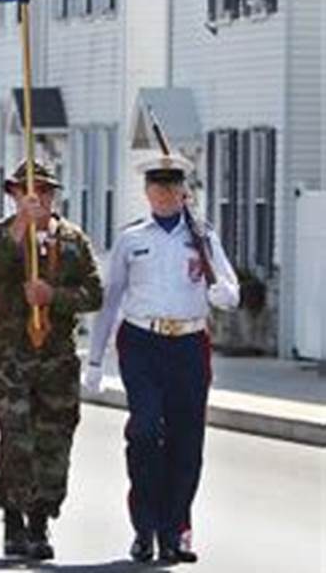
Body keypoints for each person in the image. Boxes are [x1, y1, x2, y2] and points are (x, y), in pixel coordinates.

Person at [83, 154, 240, 565]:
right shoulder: (133, 238)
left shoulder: (202, 235)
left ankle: (174, 531)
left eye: (173, 186)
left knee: (187, 442)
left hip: (188, 344)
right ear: (147, 191)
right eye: (158, 186)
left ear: (183, 191)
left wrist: (223, 292)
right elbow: (112, 295)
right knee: (145, 431)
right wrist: (95, 359)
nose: (166, 193)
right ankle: (145, 527)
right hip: (143, 342)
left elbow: (228, 285)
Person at [0, 160, 103, 560]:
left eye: (46, 192)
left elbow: (94, 294)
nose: (39, 199)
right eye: (29, 192)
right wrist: (20, 227)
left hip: (57, 357)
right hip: (12, 354)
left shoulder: (73, 240)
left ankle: (40, 521)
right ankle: (13, 520)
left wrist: (55, 297)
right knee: (16, 437)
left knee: (54, 439)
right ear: (14, 195)